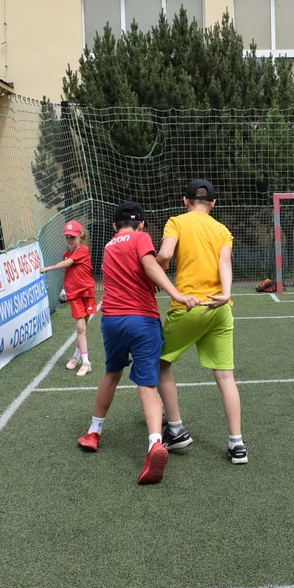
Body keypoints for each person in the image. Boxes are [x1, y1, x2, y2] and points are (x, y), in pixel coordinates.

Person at [76, 202, 197, 485]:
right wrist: (176, 294)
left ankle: (94, 432)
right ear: (141, 224)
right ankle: (155, 443)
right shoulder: (141, 238)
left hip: (113, 321)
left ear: (114, 226)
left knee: (111, 373)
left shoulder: (107, 246)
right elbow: (149, 265)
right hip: (142, 319)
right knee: (147, 384)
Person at [156, 179, 246, 464]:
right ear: (213, 204)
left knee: (158, 365)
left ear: (185, 201)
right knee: (225, 376)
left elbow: (165, 253)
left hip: (189, 306)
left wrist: (161, 267)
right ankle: (237, 444)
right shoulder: (221, 230)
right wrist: (226, 294)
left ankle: (176, 429)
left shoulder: (176, 222)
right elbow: (225, 262)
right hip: (219, 307)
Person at [40, 220, 96, 377]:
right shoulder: (67, 254)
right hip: (75, 295)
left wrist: (48, 268)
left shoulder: (83, 250)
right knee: (80, 328)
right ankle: (86, 362)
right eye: (67, 237)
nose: (70, 240)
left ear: (80, 236)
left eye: (72, 237)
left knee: (82, 328)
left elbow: (68, 263)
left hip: (87, 292)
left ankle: (77, 356)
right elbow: (68, 263)